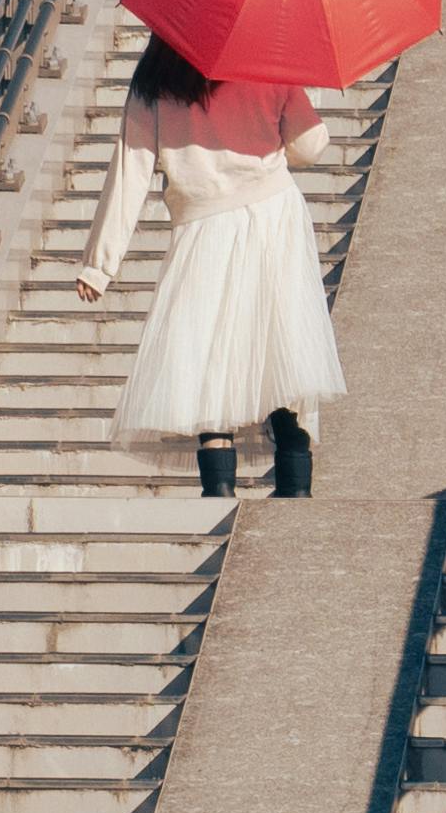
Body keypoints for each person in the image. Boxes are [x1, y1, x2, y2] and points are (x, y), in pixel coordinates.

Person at [78, 30, 346, 498]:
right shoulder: (266, 59)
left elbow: (130, 172)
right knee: (277, 344)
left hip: (201, 226)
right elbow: (310, 146)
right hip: (272, 218)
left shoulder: (155, 79)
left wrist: (99, 265)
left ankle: (218, 487)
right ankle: (294, 479)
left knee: (208, 355)